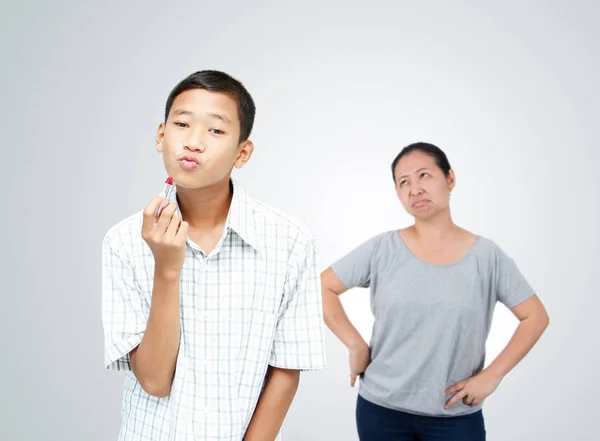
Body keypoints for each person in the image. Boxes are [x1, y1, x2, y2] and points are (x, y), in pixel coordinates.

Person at [101, 70, 326, 441]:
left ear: (243, 152)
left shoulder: (290, 240)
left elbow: (286, 371)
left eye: (216, 130)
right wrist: (167, 269)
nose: (193, 142)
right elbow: (155, 381)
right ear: (161, 136)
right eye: (182, 124)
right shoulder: (124, 241)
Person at [321, 142, 550, 441]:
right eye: (404, 182)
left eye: (424, 176)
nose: (414, 188)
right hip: (380, 411)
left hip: (454, 415)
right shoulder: (382, 249)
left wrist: (492, 376)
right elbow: (322, 286)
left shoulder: (487, 257)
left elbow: (535, 317)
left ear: (450, 179)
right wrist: (355, 345)